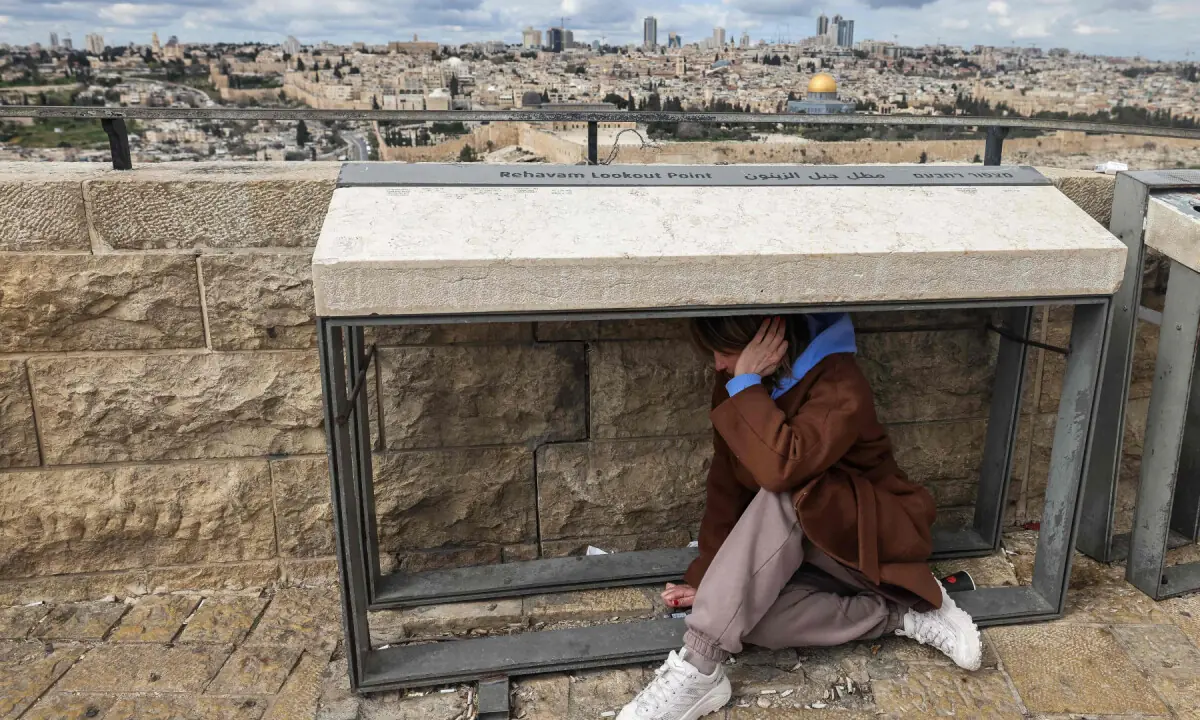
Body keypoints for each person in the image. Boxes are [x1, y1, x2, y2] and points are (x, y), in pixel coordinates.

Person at [617, 314, 982, 720]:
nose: (719, 365)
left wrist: (745, 386)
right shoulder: (739, 380)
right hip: (805, 550)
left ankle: (698, 667)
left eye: (725, 352)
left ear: (769, 340)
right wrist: (709, 579)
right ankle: (899, 615)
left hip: (872, 539)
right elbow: (727, 483)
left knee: (785, 493)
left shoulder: (838, 382)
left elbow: (781, 469)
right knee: (742, 620)